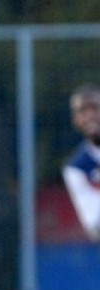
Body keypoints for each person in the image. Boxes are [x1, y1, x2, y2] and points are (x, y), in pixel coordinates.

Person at [62, 83, 100, 241]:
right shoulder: (76, 168)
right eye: (83, 111)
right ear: (75, 120)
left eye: (95, 108)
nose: (90, 115)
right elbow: (94, 225)